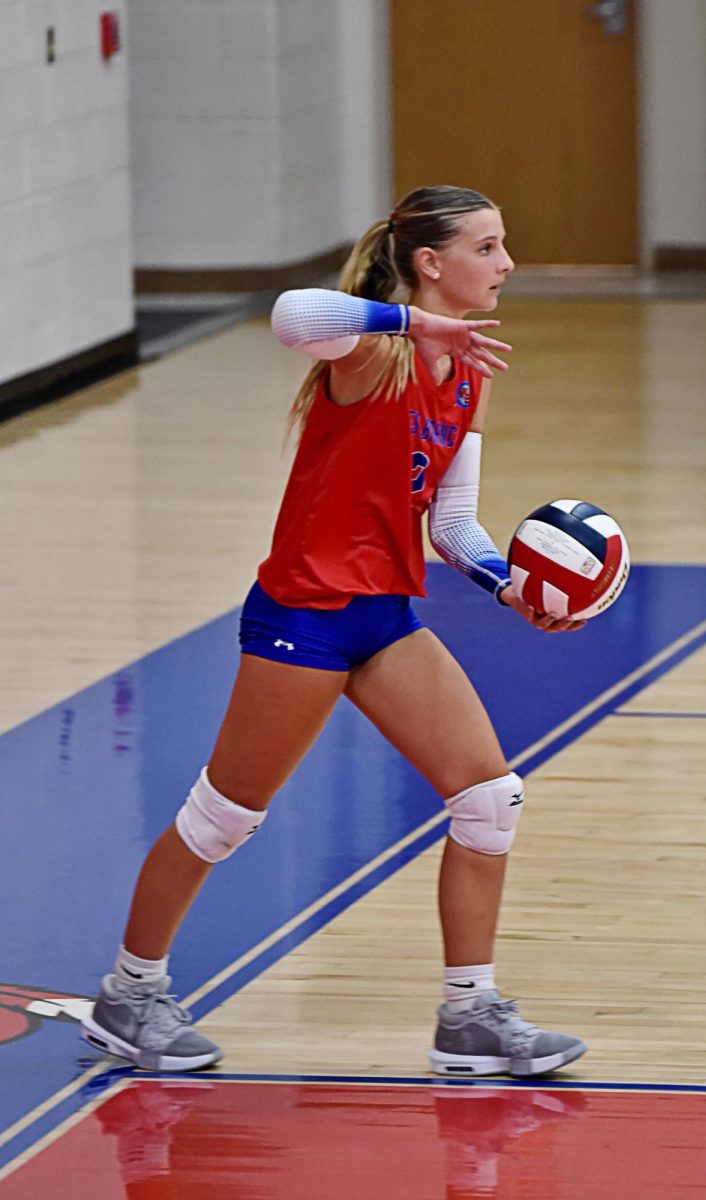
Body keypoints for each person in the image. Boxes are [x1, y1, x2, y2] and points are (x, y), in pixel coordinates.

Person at [80, 185, 587, 1077]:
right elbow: (288, 313)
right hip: (305, 614)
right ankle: (128, 996)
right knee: (223, 818)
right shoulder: (369, 348)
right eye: (488, 246)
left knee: (487, 800)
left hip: (383, 618)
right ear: (431, 264)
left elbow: (452, 524)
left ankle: (468, 1018)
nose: (505, 264)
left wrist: (509, 585)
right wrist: (410, 323)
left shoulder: (467, 372)